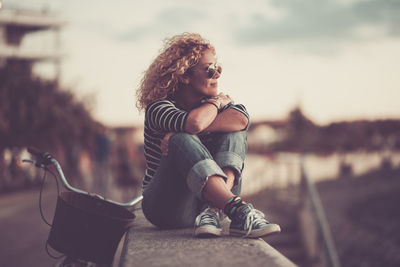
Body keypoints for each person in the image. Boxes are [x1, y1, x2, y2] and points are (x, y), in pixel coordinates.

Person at [136, 33, 280, 238]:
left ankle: (216, 207)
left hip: (204, 211)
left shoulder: (220, 107)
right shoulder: (159, 107)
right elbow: (194, 123)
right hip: (164, 208)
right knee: (180, 139)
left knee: (234, 133)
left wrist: (195, 124)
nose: (217, 75)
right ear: (185, 75)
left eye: (218, 68)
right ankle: (238, 210)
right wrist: (214, 105)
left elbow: (241, 120)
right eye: (210, 69)